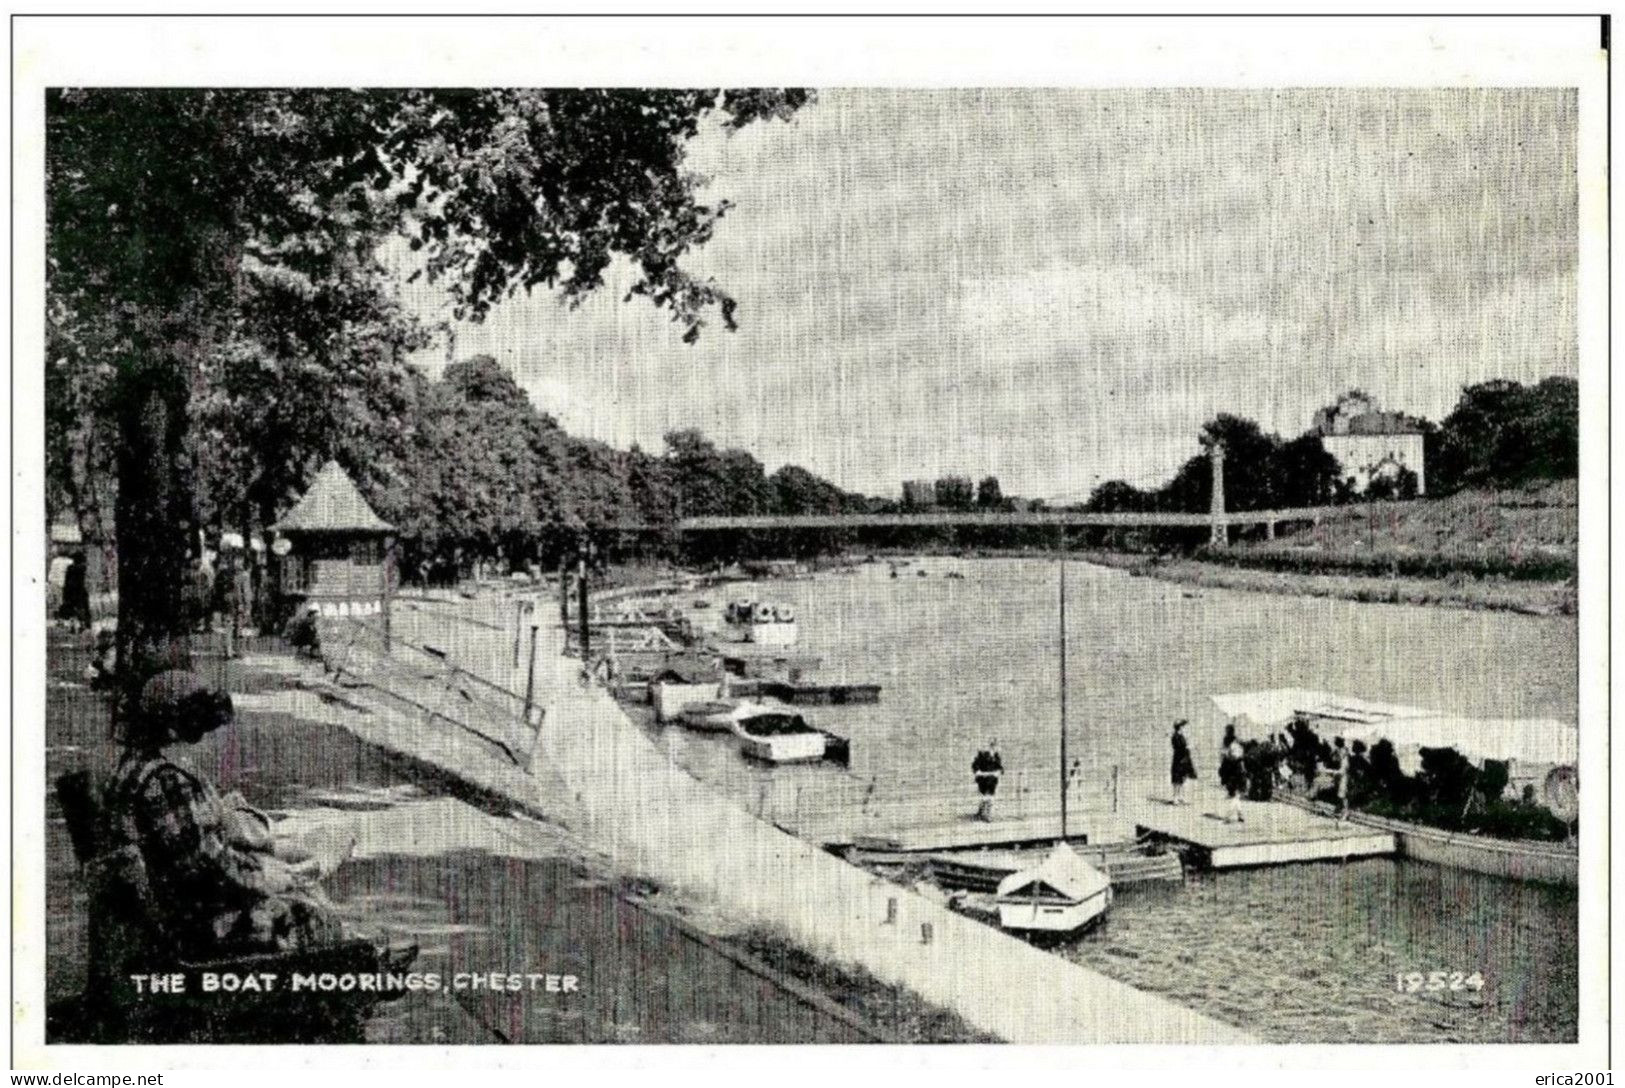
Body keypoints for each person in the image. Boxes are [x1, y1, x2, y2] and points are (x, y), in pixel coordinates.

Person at [1219, 722, 1247, 823]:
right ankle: (1233, 815)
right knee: (1236, 794)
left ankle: (1236, 815)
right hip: (1238, 769)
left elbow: (1223, 756)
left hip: (1229, 770)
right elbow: (1238, 756)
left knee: (1235, 794)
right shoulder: (1237, 744)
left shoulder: (1225, 743)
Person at [58, 551, 92, 631]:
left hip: (70, 591)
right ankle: (83, 624)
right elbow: (83, 581)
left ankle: (73, 626)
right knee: (83, 608)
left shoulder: (70, 568)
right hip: (80, 590)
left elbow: (67, 581)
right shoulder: (82, 568)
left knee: (72, 609)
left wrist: (65, 592)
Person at [971, 739, 1004, 822]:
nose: (996, 748)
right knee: (985, 796)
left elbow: (1000, 768)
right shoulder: (982, 755)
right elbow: (975, 766)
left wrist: (999, 772)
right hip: (983, 779)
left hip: (992, 779)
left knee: (989, 796)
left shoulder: (996, 756)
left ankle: (985, 813)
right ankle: (984, 813)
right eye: (995, 746)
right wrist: (979, 772)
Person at [1169, 719, 1197, 805]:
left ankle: (1180, 796)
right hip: (1179, 759)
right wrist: (1188, 747)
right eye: (1183, 726)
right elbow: (1179, 747)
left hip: (1184, 759)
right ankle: (1175, 797)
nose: (1184, 728)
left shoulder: (1181, 736)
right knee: (1177, 778)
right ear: (1180, 727)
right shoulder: (1176, 736)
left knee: (1182, 777)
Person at [1327, 736, 1350, 820]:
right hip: (1340, 777)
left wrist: (1332, 772)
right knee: (1339, 795)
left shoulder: (1345, 758)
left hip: (1344, 777)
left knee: (1343, 796)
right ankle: (1337, 811)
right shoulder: (1340, 752)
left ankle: (1346, 813)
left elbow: (1343, 770)